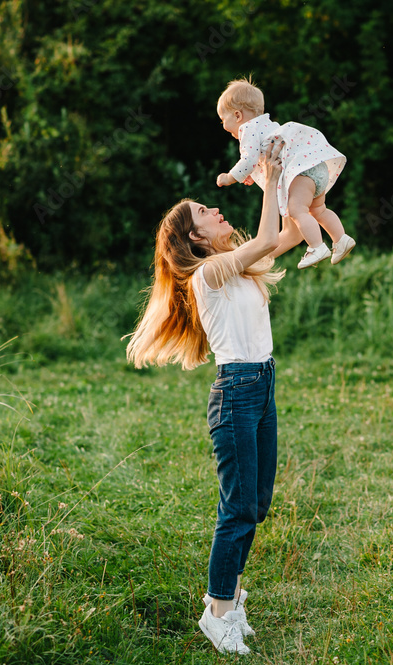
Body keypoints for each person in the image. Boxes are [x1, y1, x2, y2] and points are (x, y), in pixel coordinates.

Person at [126, 140, 287, 655]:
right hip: (236, 391)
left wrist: (281, 182)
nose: (216, 210)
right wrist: (268, 175)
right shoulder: (207, 276)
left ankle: (232, 599)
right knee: (237, 508)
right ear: (194, 236)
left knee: (256, 505)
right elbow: (265, 235)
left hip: (261, 385)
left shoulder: (236, 267)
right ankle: (217, 611)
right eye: (204, 211)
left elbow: (282, 234)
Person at [215, 77, 356, 269]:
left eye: (223, 120)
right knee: (318, 210)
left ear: (238, 115)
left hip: (302, 173)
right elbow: (263, 157)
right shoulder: (268, 125)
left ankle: (317, 247)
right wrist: (249, 174)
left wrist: (230, 177)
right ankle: (341, 239)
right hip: (317, 167)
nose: (223, 126)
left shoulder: (247, 129)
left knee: (298, 210)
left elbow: (247, 159)